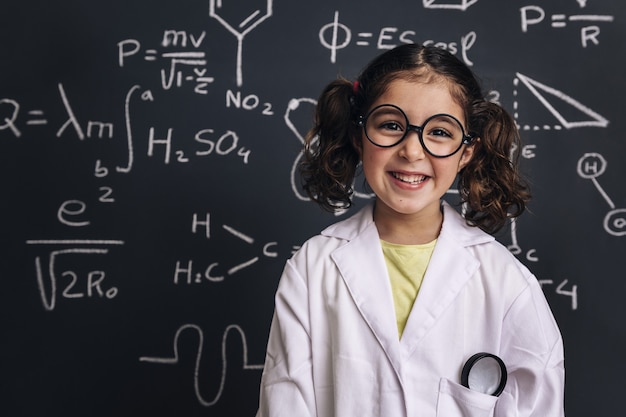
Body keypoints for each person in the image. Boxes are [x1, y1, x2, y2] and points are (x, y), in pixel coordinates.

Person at [256, 44, 565, 416]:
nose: (412, 151)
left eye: (439, 132)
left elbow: (538, 405)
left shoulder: (507, 283)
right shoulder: (312, 268)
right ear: (359, 136)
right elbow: (285, 402)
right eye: (390, 125)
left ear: (466, 152)